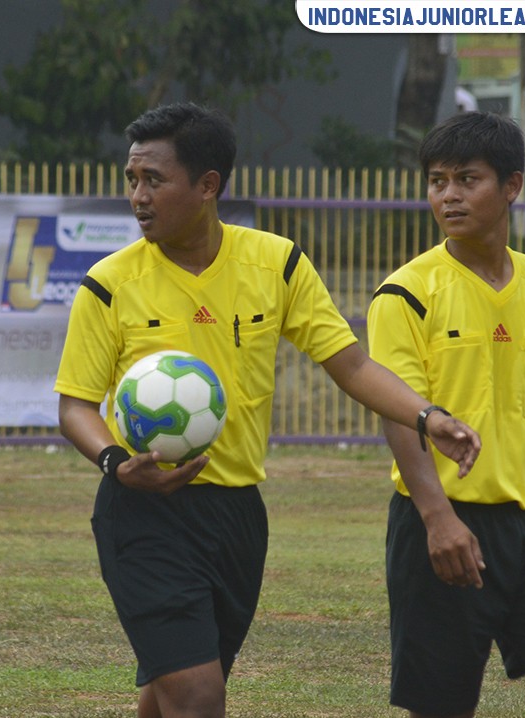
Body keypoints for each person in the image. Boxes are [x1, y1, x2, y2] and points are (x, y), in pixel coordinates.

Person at [53, 102, 482, 718]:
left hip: (237, 517)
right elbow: (75, 406)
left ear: (208, 186)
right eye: (132, 179)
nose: (138, 197)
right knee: (197, 694)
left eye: (154, 180)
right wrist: (116, 463)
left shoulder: (276, 264)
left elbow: (352, 366)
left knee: (170, 694)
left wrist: (427, 416)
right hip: (143, 514)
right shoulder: (108, 282)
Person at [367, 111, 525, 718]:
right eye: (437, 181)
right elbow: (399, 417)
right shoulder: (406, 292)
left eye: (466, 179)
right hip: (444, 524)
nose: (448, 196)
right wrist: (437, 519)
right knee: (443, 707)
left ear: (511, 185)